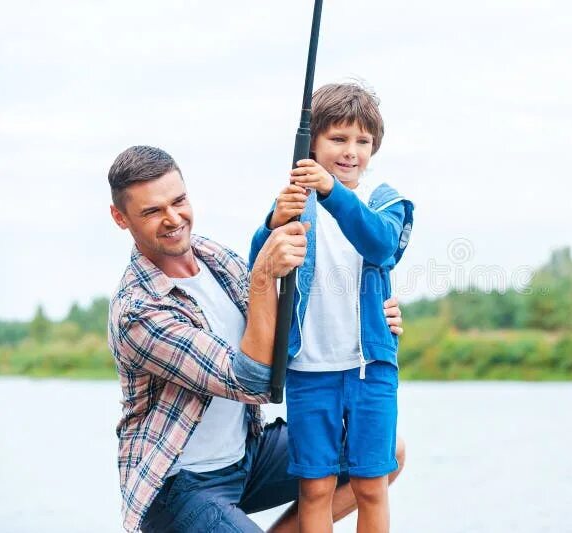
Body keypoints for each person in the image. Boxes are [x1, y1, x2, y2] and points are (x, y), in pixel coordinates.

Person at [106, 145, 406, 532]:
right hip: (180, 485)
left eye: (178, 200)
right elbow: (247, 380)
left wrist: (373, 318)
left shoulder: (213, 256)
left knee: (387, 453)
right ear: (120, 217)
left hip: (248, 456)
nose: (173, 218)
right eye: (151, 211)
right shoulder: (137, 310)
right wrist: (264, 274)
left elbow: (288, 321)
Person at [249, 82, 413, 532]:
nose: (351, 151)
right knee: (315, 488)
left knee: (370, 485)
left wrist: (332, 194)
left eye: (362, 141)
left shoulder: (385, 199)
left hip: (370, 368)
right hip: (308, 370)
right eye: (338, 139)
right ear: (313, 143)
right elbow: (259, 269)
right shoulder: (296, 202)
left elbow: (381, 245)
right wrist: (272, 223)